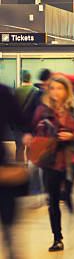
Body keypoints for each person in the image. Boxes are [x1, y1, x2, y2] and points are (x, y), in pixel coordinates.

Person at [32, 75, 74, 252]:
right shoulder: (43, 110)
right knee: (53, 200)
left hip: (69, 161)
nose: (56, 92)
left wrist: (72, 136)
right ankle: (57, 238)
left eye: (60, 88)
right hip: (49, 161)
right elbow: (33, 130)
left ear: (67, 90)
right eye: (53, 88)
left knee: (68, 196)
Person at [0, 83, 27, 258]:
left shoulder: (3, 93)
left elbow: (20, 120)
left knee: (7, 209)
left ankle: (10, 243)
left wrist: (28, 134)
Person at [13, 70, 38, 162]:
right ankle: (29, 168)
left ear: (21, 78)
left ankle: (19, 170)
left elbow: (13, 108)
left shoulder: (17, 91)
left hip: (18, 125)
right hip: (31, 124)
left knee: (19, 148)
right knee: (30, 148)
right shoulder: (36, 91)